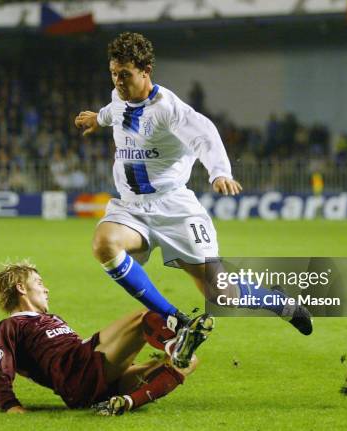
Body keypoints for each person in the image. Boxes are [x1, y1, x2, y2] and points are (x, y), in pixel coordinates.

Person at [75, 32, 312, 335]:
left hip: (174, 208)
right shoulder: (118, 97)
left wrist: (219, 172)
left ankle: (280, 303)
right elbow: (115, 113)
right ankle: (175, 319)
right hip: (132, 208)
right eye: (113, 74)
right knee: (104, 243)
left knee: (223, 296)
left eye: (125, 74)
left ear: (146, 71)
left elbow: (205, 134)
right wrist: (98, 118)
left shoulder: (168, 109)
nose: (118, 81)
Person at [0, 261, 214, 415]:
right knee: (142, 317)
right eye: (38, 283)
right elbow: (0, 366)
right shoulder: (11, 325)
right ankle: (176, 343)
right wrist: (10, 404)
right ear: (21, 288)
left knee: (188, 363)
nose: (46, 289)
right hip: (75, 373)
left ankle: (125, 402)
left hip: (91, 380)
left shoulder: (52, 319)